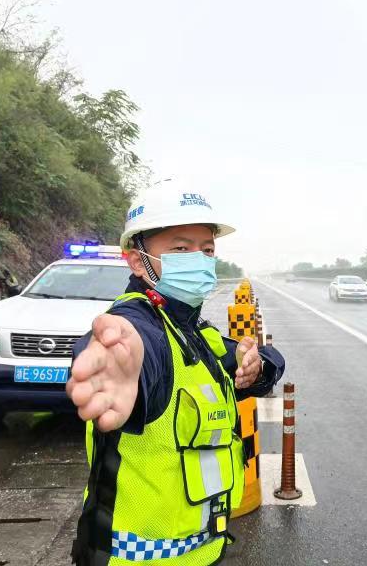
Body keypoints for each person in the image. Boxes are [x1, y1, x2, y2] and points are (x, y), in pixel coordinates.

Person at [67, 177, 285, 565]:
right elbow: (134, 350)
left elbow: (252, 360)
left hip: (203, 551)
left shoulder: (192, 331)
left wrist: (259, 366)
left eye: (207, 249)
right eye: (181, 249)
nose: (198, 259)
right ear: (138, 261)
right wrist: (120, 369)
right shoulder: (141, 327)